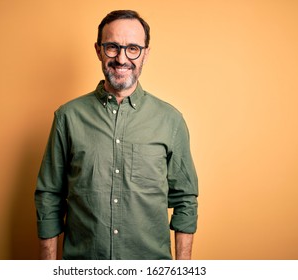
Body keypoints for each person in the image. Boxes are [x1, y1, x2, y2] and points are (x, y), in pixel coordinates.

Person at [34, 10, 198, 260]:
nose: (122, 58)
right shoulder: (67, 117)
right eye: (112, 47)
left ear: (146, 53)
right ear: (99, 50)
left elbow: (185, 199)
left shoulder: (170, 121)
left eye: (133, 48)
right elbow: (49, 196)